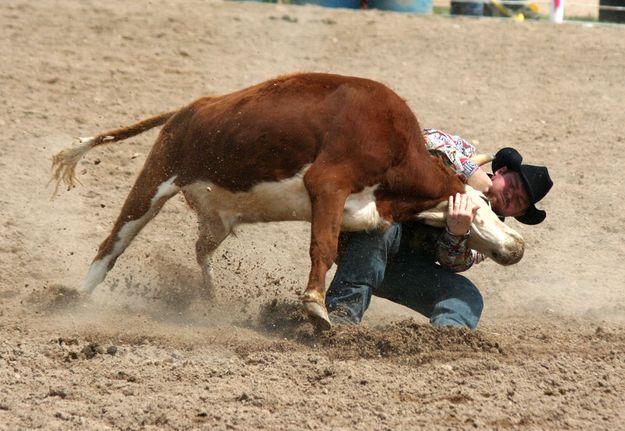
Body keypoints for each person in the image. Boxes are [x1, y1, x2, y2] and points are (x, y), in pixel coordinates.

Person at [325, 129, 553, 329]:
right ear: (501, 172)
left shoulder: (496, 237)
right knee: (383, 224)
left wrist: (457, 233)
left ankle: (444, 340)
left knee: (466, 296)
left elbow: (455, 264)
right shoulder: (465, 153)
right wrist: (470, 172)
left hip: (402, 270)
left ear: (518, 214)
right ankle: (341, 319)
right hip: (360, 241)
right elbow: (424, 139)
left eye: (519, 202)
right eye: (512, 185)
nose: (511, 195)